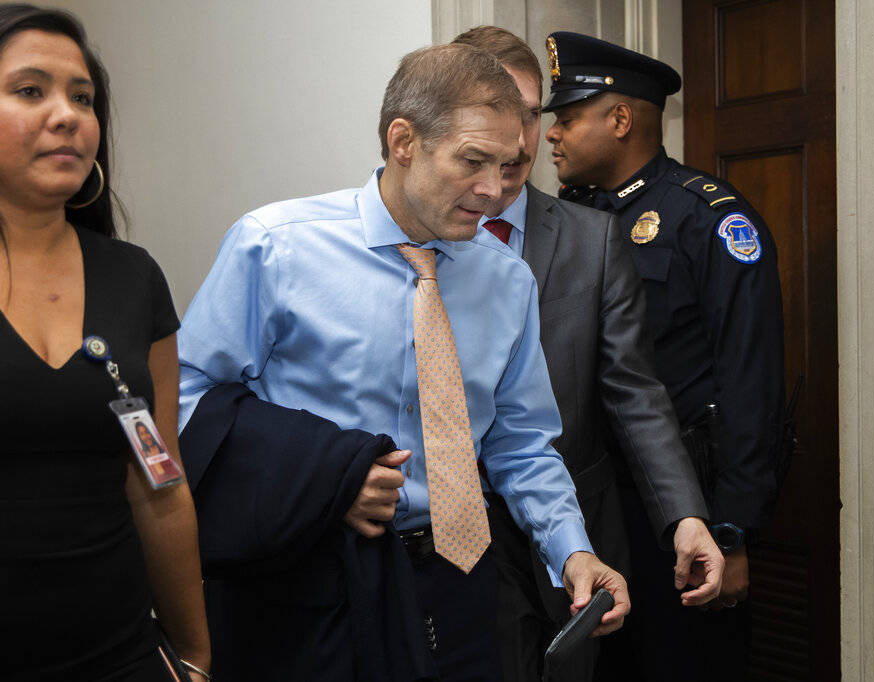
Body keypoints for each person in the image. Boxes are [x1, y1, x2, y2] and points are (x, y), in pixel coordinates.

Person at [176, 43, 629, 682]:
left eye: (506, 165)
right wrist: (327, 478)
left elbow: (520, 443)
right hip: (312, 580)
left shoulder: (507, 281)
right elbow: (185, 398)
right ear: (403, 141)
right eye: (473, 162)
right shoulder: (276, 248)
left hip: (461, 585)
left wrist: (573, 552)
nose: (494, 190)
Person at [451, 26, 724, 682]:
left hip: (572, 530)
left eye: (528, 114)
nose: (518, 140)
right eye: (494, 116)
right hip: (449, 541)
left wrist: (685, 516)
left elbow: (635, 393)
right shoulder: (412, 243)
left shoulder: (593, 239)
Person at [542, 31, 787, 681]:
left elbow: (750, 389)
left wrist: (732, 534)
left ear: (619, 119)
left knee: (688, 664)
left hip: (687, 511)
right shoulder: (569, 222)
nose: (550, 135)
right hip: (594, 508)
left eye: (567, 118)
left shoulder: (708, 222)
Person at [0, 5, 210, 681]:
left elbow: (160, 483)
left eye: (82, 97)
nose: (67, 115)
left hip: (120, 656)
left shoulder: (133, 277)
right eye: (30, 90)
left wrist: (196, 656)